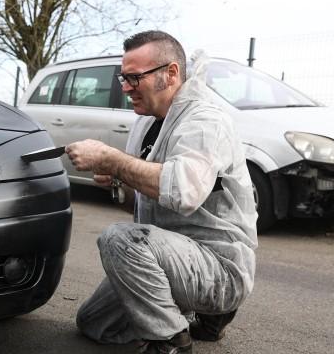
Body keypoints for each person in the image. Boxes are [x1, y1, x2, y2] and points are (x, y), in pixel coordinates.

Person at [65, 30, 258, 353]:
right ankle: (192, 313)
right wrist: (121, 184)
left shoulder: (205, 120)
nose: (125, 88)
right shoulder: (146, 121)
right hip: (172, 259)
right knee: (94, 323)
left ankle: (171, 340)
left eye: (134, 78)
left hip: (219, 268)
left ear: (170, 74)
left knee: (119, 239)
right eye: (122, 78)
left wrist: (111, 159)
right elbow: (146, 206)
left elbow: (183, 192)